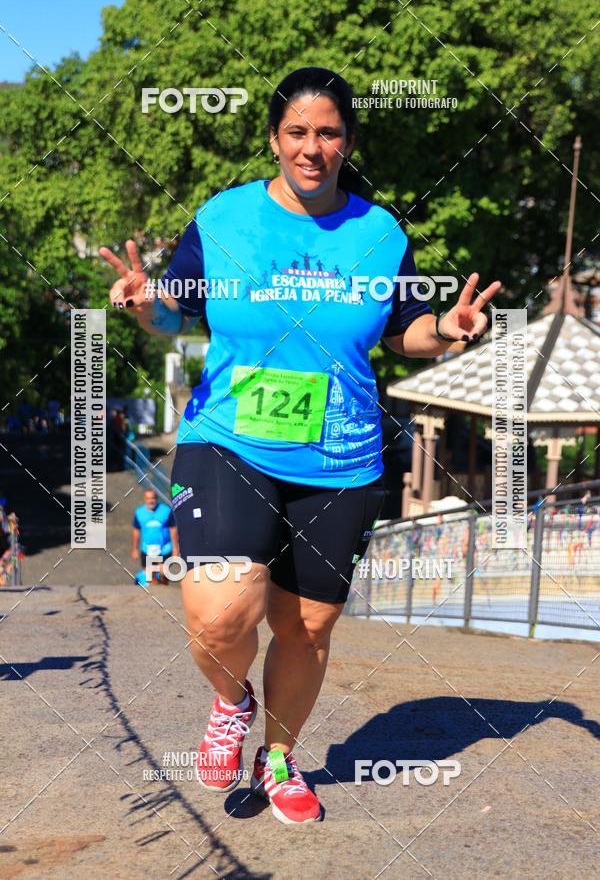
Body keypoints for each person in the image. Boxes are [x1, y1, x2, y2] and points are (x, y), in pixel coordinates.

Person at [101, 66, 501, 825]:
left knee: (307, 627)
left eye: (328, 133)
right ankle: (230, 702)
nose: (312, 148)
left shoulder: (378, 234)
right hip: (230, 441)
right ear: (275, 138)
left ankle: (279, 757)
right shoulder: (223, 221)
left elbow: (403, 332)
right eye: (297, 132)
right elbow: (173, 318)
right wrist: (146, 304)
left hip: (343, 458)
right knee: (222, 613)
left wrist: (448, 331)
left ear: (347, 140)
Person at [131, 488, 178, 584]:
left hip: (164, 548)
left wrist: (175, 548)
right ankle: (156, 591)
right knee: (150, 576)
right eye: (148, 499)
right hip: (147, 549)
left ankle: (165, 586)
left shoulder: (166, 511)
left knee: (163, 572)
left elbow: (173, 529)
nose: (150, 501)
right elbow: (136, 530)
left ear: (156, 498)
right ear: (145, 499)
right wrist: (135, 549)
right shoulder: (139, 513)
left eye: (153, 498)